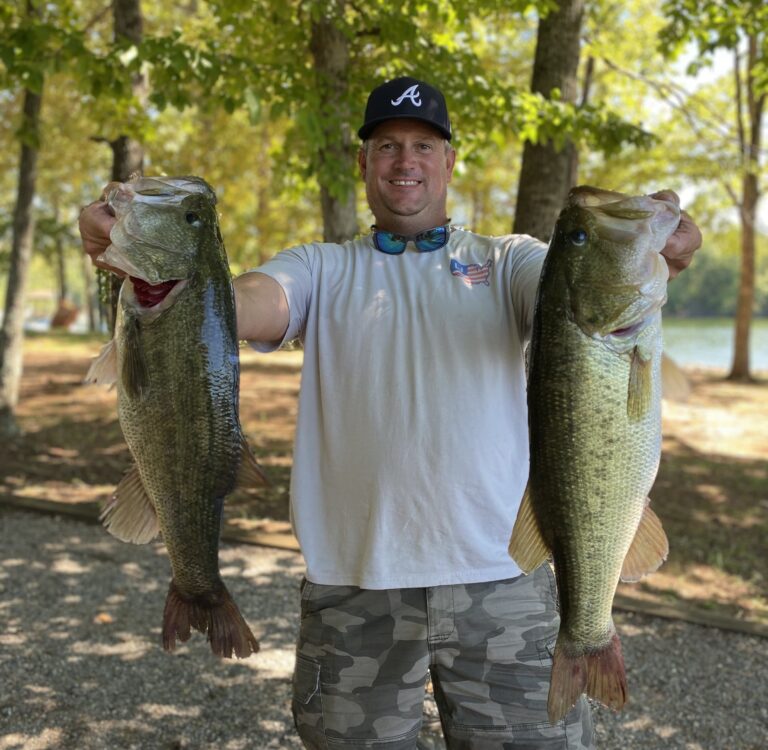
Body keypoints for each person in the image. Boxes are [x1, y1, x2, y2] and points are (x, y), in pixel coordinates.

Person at [80, 77, 702, 749]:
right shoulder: (319, 268)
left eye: (424, 146)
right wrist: (149, 266)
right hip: (354, 592)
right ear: (364, 163)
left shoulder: (510, 262)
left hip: (503, 585)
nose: (406, 162)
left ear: (449, 161)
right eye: (387, 146)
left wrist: (656, 252)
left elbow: (579, 290)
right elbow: (244, 303)